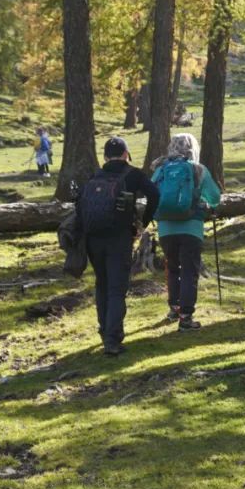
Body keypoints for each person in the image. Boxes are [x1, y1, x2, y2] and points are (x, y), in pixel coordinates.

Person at [76, 137, 159, 356]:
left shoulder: (95, 176)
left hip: (93, 239)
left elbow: (79, 205)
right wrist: (144, 221)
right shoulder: (133, 175)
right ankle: (112, 340)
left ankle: (105, 331)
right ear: (125, 154)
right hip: (119, 238)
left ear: (105, 156)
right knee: (117, 288)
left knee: (102, 284)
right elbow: (154, 194)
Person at [150, 133, 221, 331]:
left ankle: (174, 308)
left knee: (173, 267)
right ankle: (186, 317)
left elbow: (152, 192)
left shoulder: (161, 168)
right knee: (190, 270)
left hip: (165, 228)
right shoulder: (197, 169)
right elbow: (215, 197)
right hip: (191, 227)